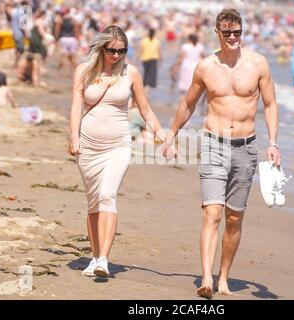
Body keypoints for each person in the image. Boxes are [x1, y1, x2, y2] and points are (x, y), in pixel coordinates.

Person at [163, 8, 281, 299]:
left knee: (234, 219)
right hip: (214, 144)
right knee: (211, 214)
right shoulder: (205, 67)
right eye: (227, 33)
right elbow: (188, 104)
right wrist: (171, 135)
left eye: (237, 32)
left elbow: (270, 105)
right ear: (217, 33)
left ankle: (224, 278)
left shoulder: (258, 64)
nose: (232, 38)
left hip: (246, 148)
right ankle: (206, 278)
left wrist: (273, 142)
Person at [68, 26, 167, 278]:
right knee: (93, 203)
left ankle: (103, 260)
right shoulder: (84, 70)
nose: (116, 55)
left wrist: (164, 136)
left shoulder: (130, 73)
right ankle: (94, 256)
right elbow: (77, 105)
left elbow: (145, 110)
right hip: (88, 146)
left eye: (122, 50)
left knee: (107, 195)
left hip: (118, 146)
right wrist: (73, 137)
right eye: (112, 50)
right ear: (101, 48)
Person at [139, 28, 161, 97]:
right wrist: (160, 60)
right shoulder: (156, 41)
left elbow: (141, 50)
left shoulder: (144, 40)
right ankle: (147, 92)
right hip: (153, 59)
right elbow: (159, 51)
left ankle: (145, 90)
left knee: (145, 74)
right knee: (151, 75)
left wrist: (138, 59)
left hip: (144, 59)